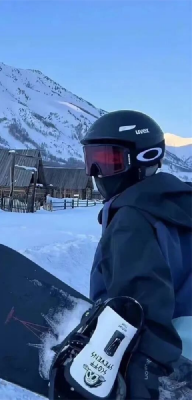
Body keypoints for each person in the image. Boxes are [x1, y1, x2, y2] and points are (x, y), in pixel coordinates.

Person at [80, 109, 192, 398]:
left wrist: (143, 377)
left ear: (144, 159)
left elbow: (140, 308)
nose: (96, 174)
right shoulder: (179, 205)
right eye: (92, 161)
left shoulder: (132, 219)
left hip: (164, 367)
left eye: (108, 161)